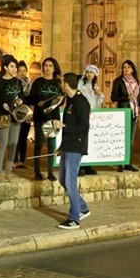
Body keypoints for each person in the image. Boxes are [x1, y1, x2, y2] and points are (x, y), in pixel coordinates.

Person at [53, 72, 91, 230]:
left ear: (67, 84)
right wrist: (61, 147)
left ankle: (74, 218)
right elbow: (68, 127)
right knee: (62, 180)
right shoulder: (69, 101)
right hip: (68, 146)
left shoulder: (81, 102)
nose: (61, 85)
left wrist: (64, 126)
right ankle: (82, 207)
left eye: (62, 82)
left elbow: (84, 127)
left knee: (70, 182)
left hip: (76, 147)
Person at [26, 57, 63, 181]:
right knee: (39, 144)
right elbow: (30, 98)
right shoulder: (38, 82)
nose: (47, 68)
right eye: (46, 65)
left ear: (54, 68)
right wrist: (38, 102)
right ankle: (37, 171)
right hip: (40, 117)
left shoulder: (58, 84)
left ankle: (50, 172)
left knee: (52, 145)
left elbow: (61, 102)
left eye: (50, 66)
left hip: (53, 118)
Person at [0, 55, 25, 182]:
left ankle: (8, 171)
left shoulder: (18, 82)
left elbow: (22, 96)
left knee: (13, 145)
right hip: (2, 116)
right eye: (12, 66)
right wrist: (2, 104)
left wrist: (21, 100)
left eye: (15, 66)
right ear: (5, 67)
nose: (15, 69)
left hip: (16, 117)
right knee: (3, 143)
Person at [110, 59, 140, 172]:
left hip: (134, 112)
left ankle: (128, 162)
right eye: (124, 67)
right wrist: (126, 97)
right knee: (121, 138)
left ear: (132, 69)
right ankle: (120, 163)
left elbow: (138, 97)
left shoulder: (136, 82)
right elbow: (113, 98)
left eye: (128, 67)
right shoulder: (118, 81)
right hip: (123, 111)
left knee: (130, 139)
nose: (126, 69)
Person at [77, 64, 103, 175]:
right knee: (80, 140)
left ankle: (88, 165)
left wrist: (100, 95)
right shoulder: (80, 84)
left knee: (89, 141)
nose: (89, 74)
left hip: (90, 116)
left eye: (91, 72)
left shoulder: (94, 86)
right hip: (80, 114)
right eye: (87, 72)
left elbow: (96, 103)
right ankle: (78, 165)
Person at [13, 61, 32, 169]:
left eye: (24, 70)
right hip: (17, 112)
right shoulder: (15, 83)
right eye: (20, 70)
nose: (22, 73)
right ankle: (14, 159)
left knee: (24, 136)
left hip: (27, 112)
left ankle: (22, 160)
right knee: (16, 136)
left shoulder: (29, 83)